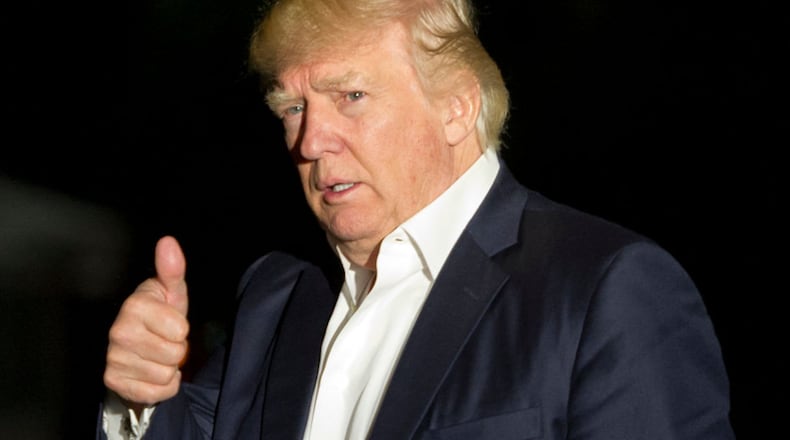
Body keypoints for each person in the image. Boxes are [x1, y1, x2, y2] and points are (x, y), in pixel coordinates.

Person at [97, 0, 735, 438]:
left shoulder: (606, 290)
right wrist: (140, 400)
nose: (311, 141)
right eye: (292, 107)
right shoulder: (279, 296)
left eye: (351, 96)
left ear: (457, 106)